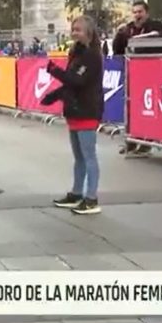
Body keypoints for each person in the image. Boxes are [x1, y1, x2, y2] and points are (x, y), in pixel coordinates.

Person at [42, 15, 104, 215]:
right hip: (74, 111)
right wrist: (54, 96)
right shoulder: (76, 53)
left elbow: (78, 80)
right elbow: (71, 84)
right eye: (73, 29)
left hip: (87, 110)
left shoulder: (92, 56)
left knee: (89, 156)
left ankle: (91, 198)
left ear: (88, 32)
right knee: (79, 157)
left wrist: (54, 71)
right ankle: (76, 193)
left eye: (78, 29)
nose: (74, 32)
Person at [111, 1, 162, 154]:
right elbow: (117, 50)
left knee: (148, 109)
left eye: (140, 12)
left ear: (147, 13)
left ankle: (146, 142)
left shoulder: (156, 26)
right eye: (135, 12)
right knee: (131, 108)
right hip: (132, 75)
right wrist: (118, 35)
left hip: (151, 75)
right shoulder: (128, 29)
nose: (137, 15)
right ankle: (131, 142)